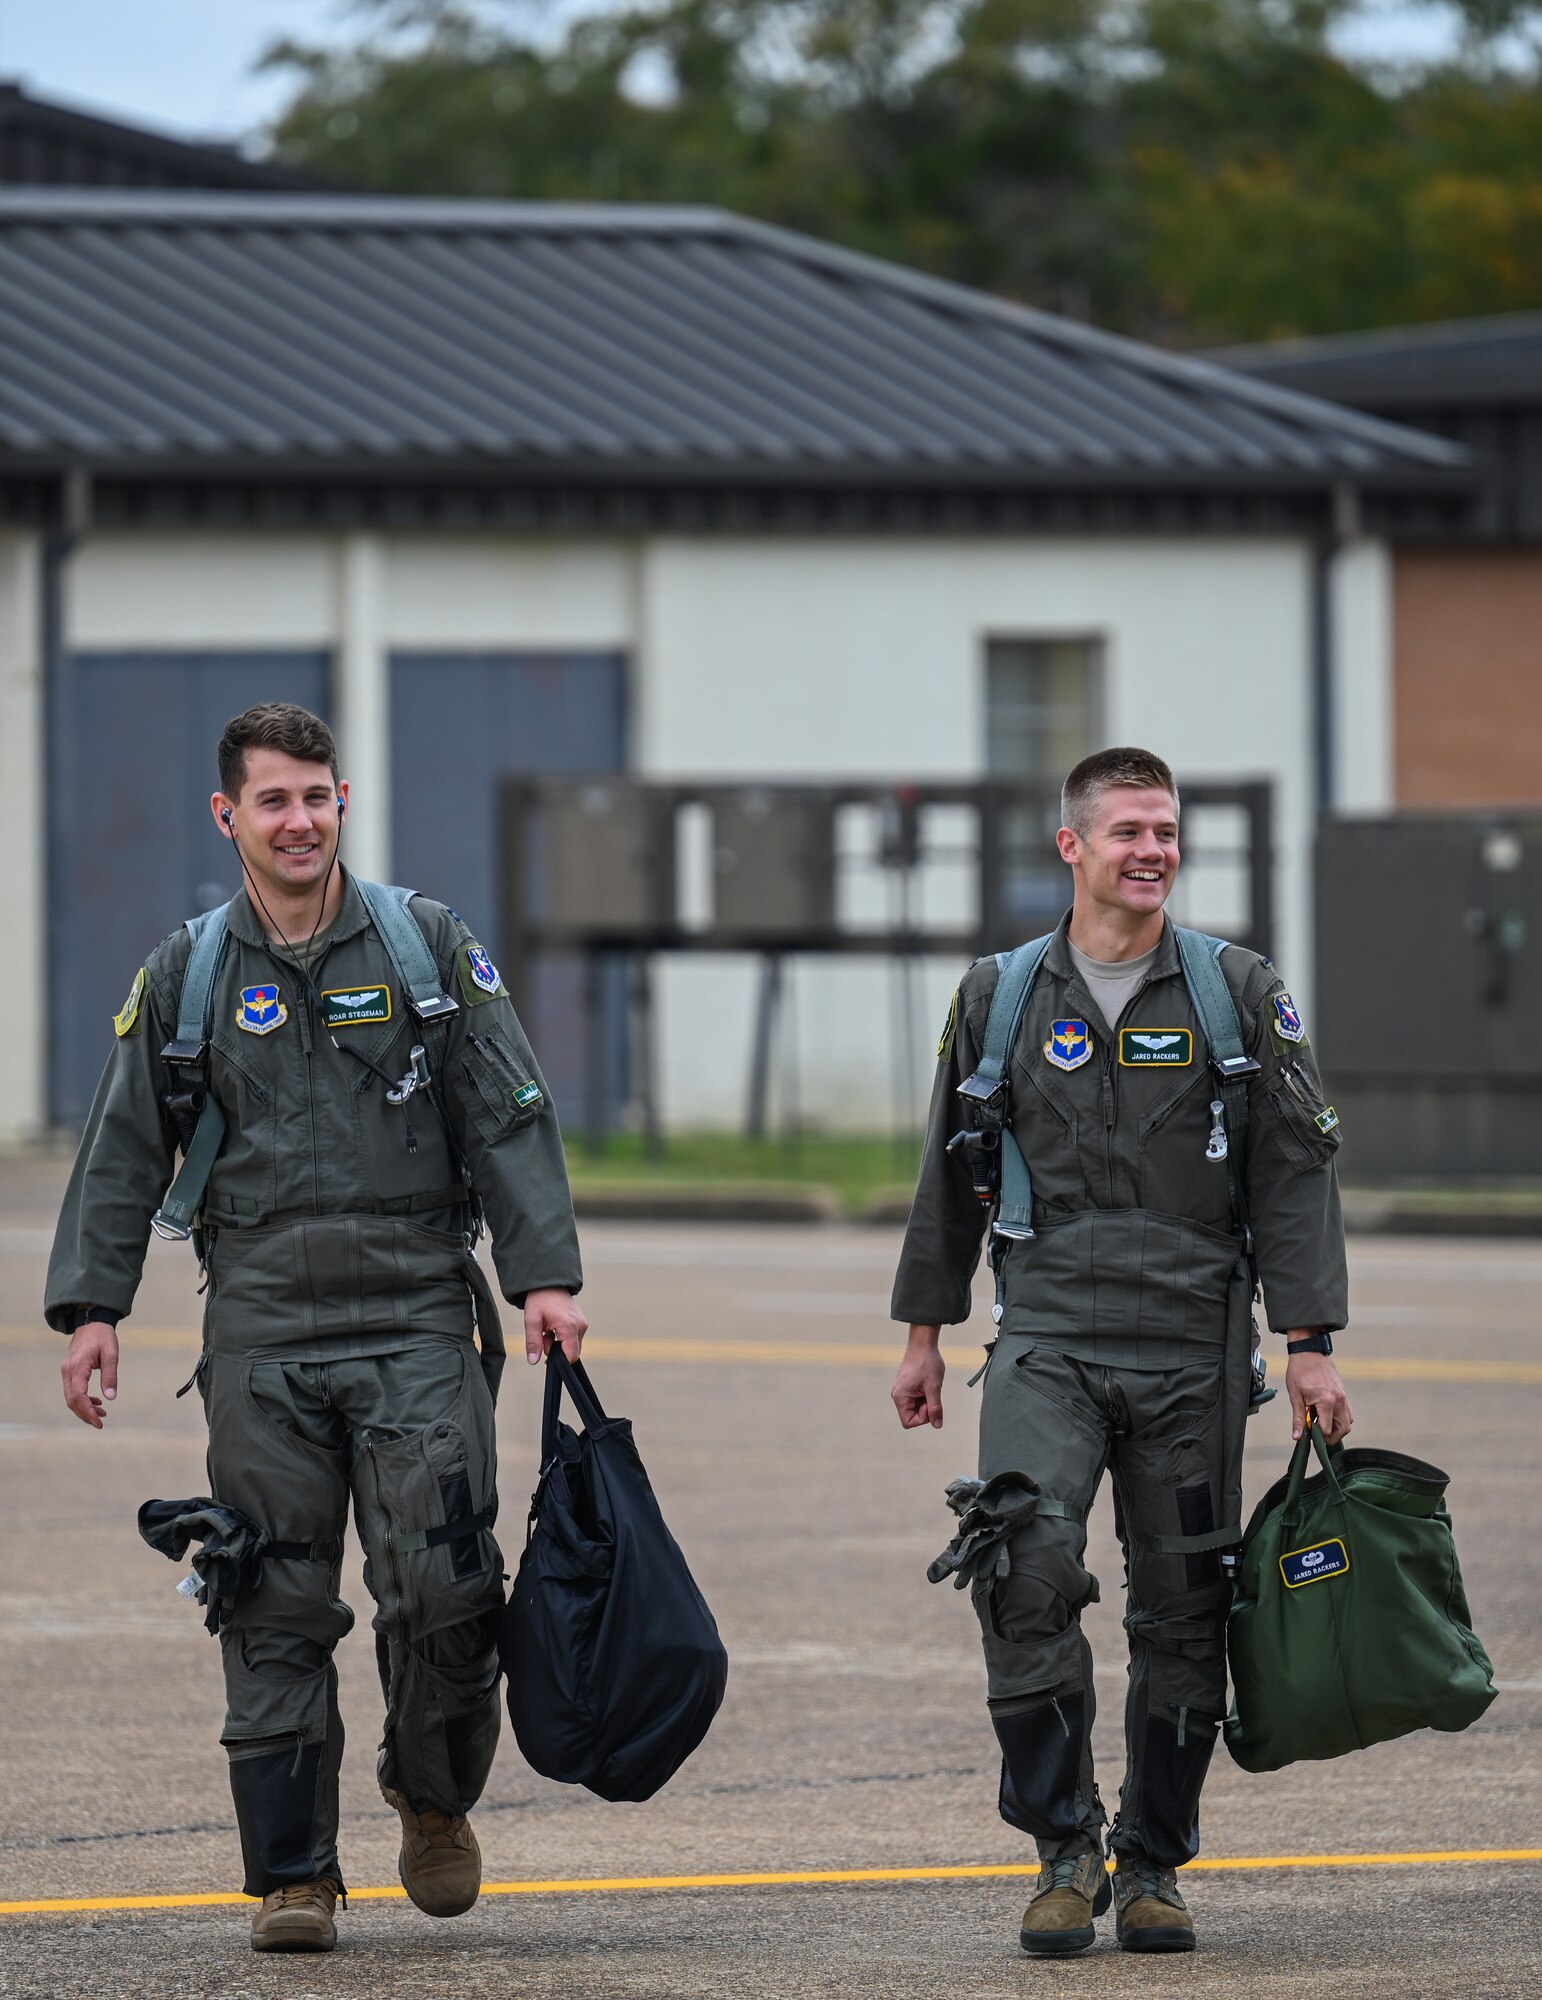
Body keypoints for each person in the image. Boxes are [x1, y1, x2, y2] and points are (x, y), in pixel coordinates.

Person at [47, 702, 586, 1955]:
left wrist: (543, 1273)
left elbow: (510, 1112)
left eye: (319, 796)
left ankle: (432, 1791)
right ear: (229, 815)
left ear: (345, 801)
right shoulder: (186, 972)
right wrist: (93, 1307)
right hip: (261, 1333)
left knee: (448, 1585)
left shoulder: (426, 947)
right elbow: (125, 1143)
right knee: (270, 1598)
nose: (301, 820)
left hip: (413, 1313)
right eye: (275, 800)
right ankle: (294, 1871)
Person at [889, 746, 1350, 1958]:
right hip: (1045, 1329)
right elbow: (949, 1169)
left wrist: (1309, 1345)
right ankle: (1062, 1849)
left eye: (1167, 828)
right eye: (1129, 829)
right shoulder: (998, 994)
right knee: (1022, 1566)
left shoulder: (1237, 992)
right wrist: (924, 1333)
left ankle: (1153, 1863)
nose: (1152, 848)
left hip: (1196, 1340)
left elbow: (1294, 1177)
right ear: (1073, 846)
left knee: (1187, 1611)